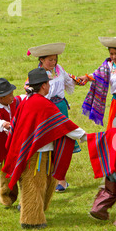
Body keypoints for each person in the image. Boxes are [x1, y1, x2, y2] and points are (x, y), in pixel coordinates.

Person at [2, 68, 87, 229]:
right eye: (48, 83)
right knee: (35, 185)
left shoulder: (28, 100)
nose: (49, 86)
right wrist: (85, 136)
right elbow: (63, 124)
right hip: (37, 153)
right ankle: (31, 220)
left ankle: (35, 210)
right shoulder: (41, 103)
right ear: (43, 86)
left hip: (34, 150)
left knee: (45, 182)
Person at [27, 42, 86, 192]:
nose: (53, 63)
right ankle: (46, 179)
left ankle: (61, 180)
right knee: (47, 143)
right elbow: (29, 88)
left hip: (60, 108)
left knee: (62, 143)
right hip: (45, 109)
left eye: (55, 59)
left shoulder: (59, 70)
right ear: (41, 60)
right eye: (50, 60)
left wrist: (85, 79)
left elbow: (69, 80)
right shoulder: (36, 74)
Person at [0, 78, 25, 208]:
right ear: (1, 98)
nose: (12, 97)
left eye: (12, 94)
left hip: (19, 143)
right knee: (8, 172)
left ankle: (25, 199)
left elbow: (26, 98)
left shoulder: (16, 101)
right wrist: (3, 123)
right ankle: (7, 195)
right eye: (9, 95)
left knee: (23, 171)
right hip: (6, 147)